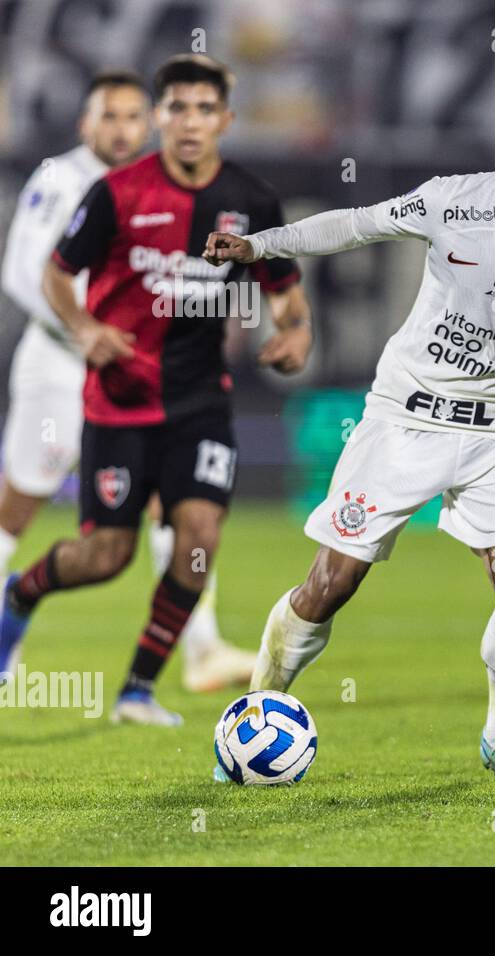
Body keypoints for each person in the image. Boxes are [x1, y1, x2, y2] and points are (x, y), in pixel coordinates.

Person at [203, 88, 495, 783]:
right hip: (405, 417)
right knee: (330, 584)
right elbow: (357, 224)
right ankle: (256, 716)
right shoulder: (454, 201)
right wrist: (261, 245)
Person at [0, 55, 314, 725]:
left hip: (200, 401)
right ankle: (19, 596)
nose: (190, 121)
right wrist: (85, 329)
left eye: (205, 109)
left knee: (198, 535)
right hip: (115, 399)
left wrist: (295, 335)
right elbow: (57, 274)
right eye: (177, 108)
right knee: (104, 555)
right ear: (161, 119)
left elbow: (285, 290)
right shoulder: (114, 192)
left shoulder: (252, 200)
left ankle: (138, 690)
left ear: (225, 119)